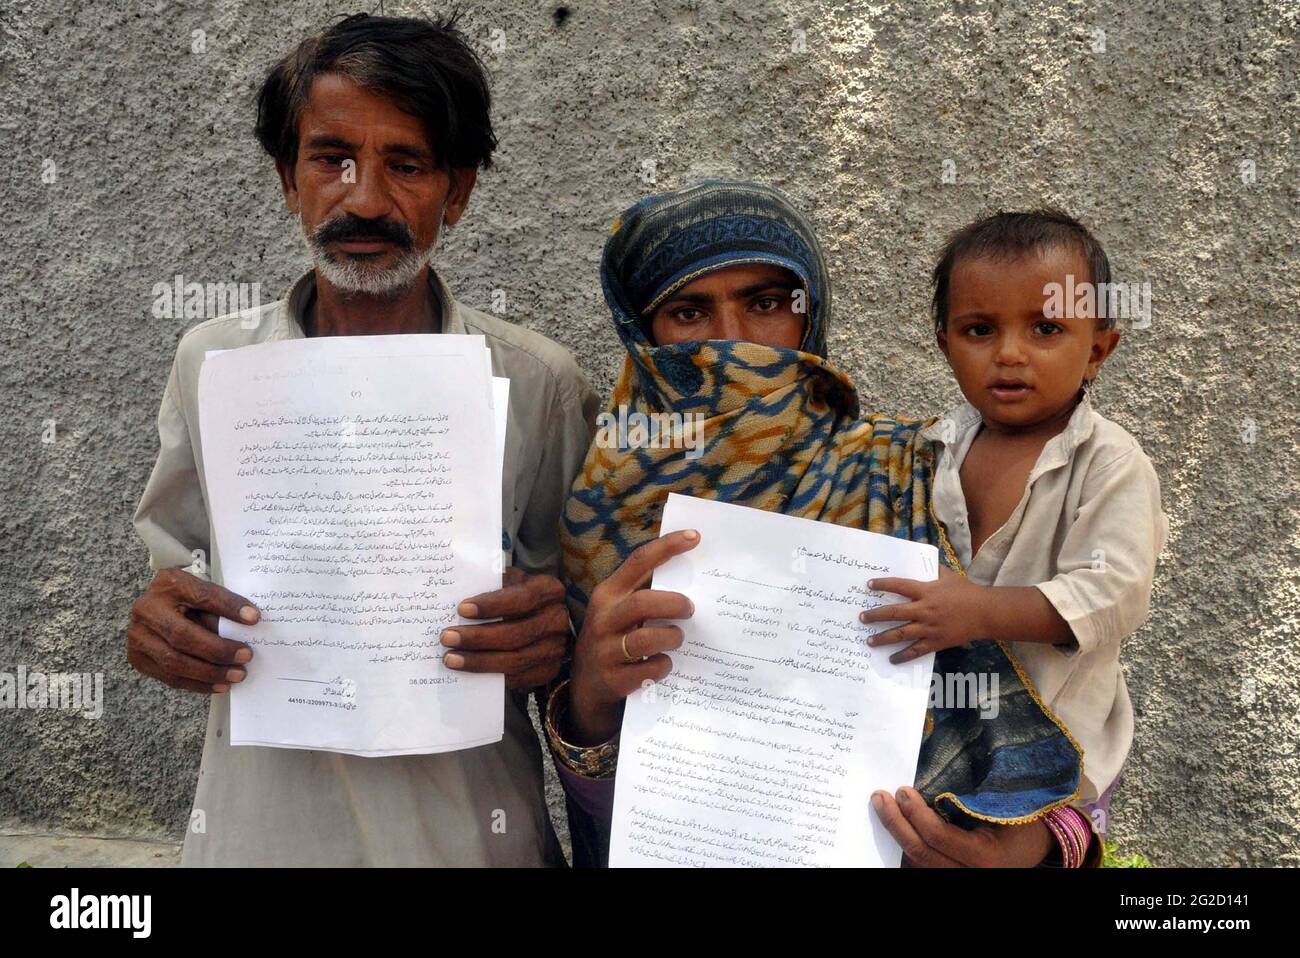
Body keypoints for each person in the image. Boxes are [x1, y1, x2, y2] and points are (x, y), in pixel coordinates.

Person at [127, 13, 599, 866]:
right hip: (259, 833)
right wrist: (165, 624)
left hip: (467, 835)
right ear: (288, 177)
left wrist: (555, 639)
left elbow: (574, 625)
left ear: (457, 192)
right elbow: (178, 575)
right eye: (330, 157)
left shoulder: (538, 383)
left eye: (407, 165)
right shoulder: (213, 363)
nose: (366, 199)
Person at [546, 180, 1085, 868]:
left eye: (767, 304)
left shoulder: (920, 472)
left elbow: (1072, 699)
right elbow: (605, 810)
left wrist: (1038, 845)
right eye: (687, 311)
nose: (733, 340)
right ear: (641, 331)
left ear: (811, 313)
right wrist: (589, 699)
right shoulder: (603, 513)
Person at [861, 210, 1168, 864]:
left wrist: (975, 611)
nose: (1009, 353)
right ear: (944, 343)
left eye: (1047, 329)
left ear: (1098, 349)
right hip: (946, 728)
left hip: (1059, 740)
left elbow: (1115, 593)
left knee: (1020, 840)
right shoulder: (929, 452)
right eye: (979, 329)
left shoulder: (1109, 463)